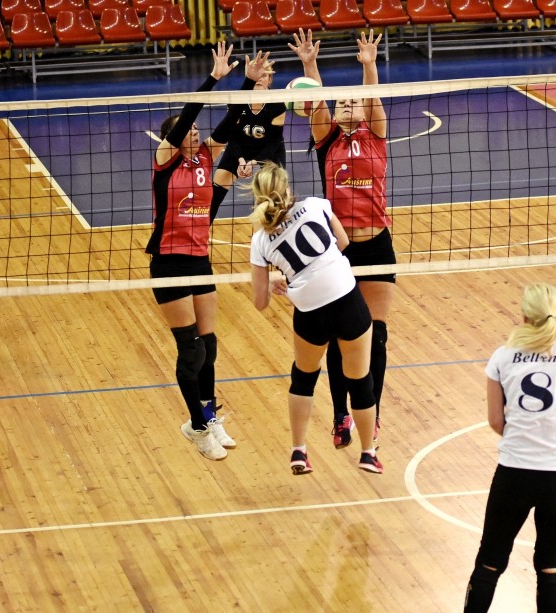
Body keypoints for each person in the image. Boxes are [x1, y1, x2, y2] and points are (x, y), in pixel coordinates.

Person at [147, 42, 257, 461]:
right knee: (190, 348)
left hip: (199, 260)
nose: (194, 132)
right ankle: (195, 426)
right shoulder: (166, 160)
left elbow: (232, 120)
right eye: (188, 130)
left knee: (208, 345)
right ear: (174, 138)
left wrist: (247, 83)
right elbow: (191, 111)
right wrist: (213, 78)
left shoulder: (205, 159)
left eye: (195, 130)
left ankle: (209, 416)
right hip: (168, 262)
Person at [289, 28, 394, 451]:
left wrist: (369, 65)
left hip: (377, 244)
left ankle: (372, 411)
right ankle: (339, 414)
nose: (347, 104)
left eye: (354, 101)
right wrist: (309, 64)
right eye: (341, 102)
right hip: (339, 251)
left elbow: (372, 97)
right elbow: (315, 99)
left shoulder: (376, 135)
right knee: (340, 336)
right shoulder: (326, 139)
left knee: (376, 336)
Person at [463, 283, 556, 613]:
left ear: (523, 316)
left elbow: (496, 421)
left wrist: (524, 439)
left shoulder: (503, 357)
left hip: (514, 475)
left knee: (490, 561)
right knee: (551, 565)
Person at [248, 162, 382, 475]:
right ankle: (368, 454)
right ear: (286, 188)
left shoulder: (260, 240)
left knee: (304, 378)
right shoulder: (316, 205)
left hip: (310, 311)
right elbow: (344, 243)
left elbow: (260, 303)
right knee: (360, 379)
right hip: (346, 300)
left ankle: (298, 451)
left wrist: (274, 281)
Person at [208, 51, 287, 224]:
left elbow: (273, 142)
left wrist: (253, 162)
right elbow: (233, 136)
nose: (259, 78)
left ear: (270, 80)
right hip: (240, 146)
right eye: (257, 74)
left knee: (277, 191)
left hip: (269, 149)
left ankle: (277, 229)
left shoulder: (278, 104)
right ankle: (201, 229)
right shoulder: (237, 101)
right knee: (214, 191)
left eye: (264, 75)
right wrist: (241, 159)